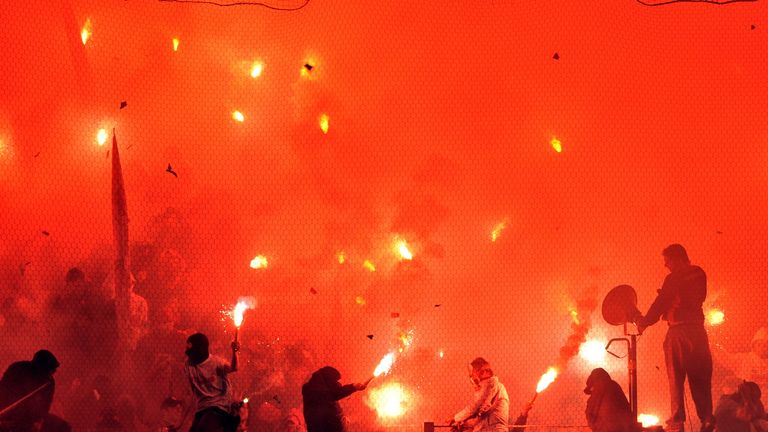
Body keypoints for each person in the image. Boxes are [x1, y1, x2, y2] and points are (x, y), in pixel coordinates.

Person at [636, 244, 715, 432]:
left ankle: (677, 422)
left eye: (668, 261)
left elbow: (660, 303)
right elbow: (694, 298)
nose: (666, 265)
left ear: (678, 258)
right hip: (698, 332)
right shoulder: (699, 273)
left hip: (678, 332)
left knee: (676, 376)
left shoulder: (673, 278)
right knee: (700, 378)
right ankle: (707, 418)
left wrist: (645, 321)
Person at [0, 349, 70, 432]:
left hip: (30, 418)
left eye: (53, 371)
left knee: (63, 426)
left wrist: (39, 421)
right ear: (40, 368)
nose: (51, 374)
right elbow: (3, 390)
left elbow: (46, 405)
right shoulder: (18, 369)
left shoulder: (49, 382)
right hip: (9, 414)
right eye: (49, 371)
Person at [183, 333, 240, 432]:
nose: (190, 356)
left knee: (204, 429)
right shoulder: (188, 365)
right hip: (202, 408)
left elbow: (233, 368)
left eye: (192, 353)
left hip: (218, 406)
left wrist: (235, 352)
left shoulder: (216, 363)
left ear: (200, 350)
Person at [447, 357, 510, 432]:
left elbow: (475, 407)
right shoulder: (491, 387)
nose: (472, 379)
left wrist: (455, 418)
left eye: (472, 374)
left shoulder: (491, 386)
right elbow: (481, 415)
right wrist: (464, 423)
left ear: (481, 372)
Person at [301, 366, 368, 432]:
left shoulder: (314, 391)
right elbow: (337, 392)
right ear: (329, 380)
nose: (338, 384)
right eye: (335, 381)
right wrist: (354, 386)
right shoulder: (320, 393)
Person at [584, 368, 634, 432]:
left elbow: (590, 411)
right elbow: (626, 407)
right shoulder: (614, 385)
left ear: (592, 383)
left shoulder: (598, 388)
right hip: (624, 427)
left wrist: (595, 426)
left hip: (605, 428)